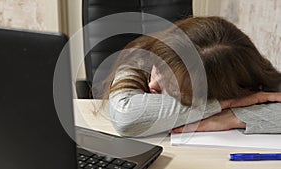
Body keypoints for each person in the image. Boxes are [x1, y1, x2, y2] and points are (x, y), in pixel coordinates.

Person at [99, 16, 281, 137]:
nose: (151, 84)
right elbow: (127, 117)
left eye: (168, 89)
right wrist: (224, 103)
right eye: (157, 70)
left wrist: (233, 117)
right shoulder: (142, 55)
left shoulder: (253, 79)